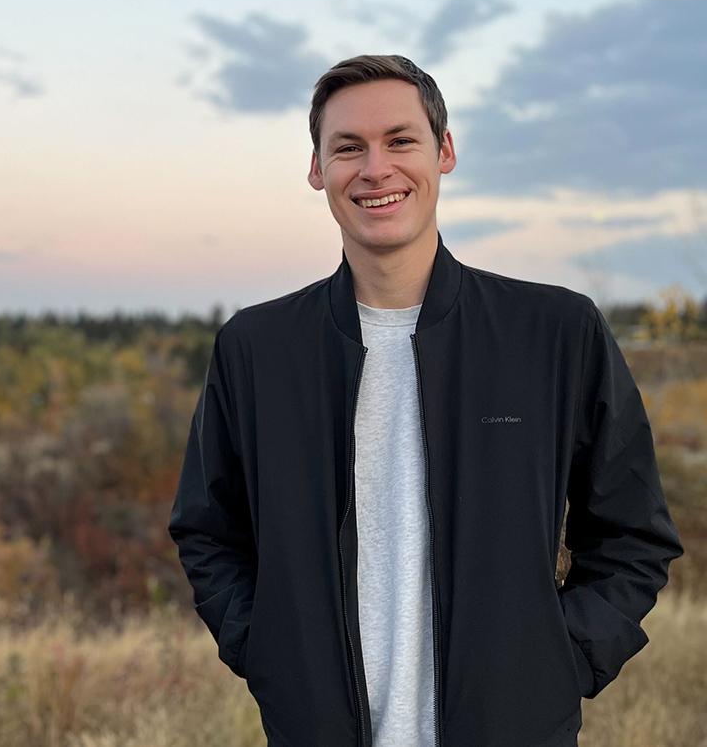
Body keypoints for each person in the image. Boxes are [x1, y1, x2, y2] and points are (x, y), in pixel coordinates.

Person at [166, 54, 684, 747]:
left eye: (400, 140)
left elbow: (634, 533)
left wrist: (561, 662)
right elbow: (209, 530)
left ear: (444, 152)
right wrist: (268, 653)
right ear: (317, 170)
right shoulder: (257, 349)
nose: (375, 168)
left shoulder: (555, 333)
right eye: (348, 147)